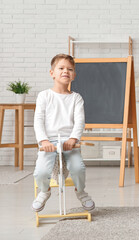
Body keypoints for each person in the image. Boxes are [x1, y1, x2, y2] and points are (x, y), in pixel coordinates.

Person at [32, 54, 95, 212]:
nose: (65, 71)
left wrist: (73, 139)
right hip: (49, 142)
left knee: (78, 168)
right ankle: (44, 191)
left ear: (74, 75)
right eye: (61, 68)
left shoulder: (76, 98)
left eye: (70, 69)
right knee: (41, 171)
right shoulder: (44, 96)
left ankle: (80, 192)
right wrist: (44, 141)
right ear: (52, 72)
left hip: (69, 143)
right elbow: (38, 121)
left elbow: (80, 121)